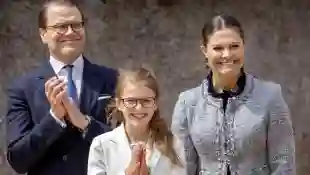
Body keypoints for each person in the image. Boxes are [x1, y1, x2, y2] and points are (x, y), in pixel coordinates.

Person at [171, 14, 296, 175]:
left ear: (244, 46)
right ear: (204, 51)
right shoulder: (187, 103)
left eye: (234, 46)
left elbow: (284, 164)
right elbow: (181, 168)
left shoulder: (270, 97)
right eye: (218, 48)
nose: (227, 54)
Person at [5, 1, 117, 175]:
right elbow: (18, 160)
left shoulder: (112, 79)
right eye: (61, 26)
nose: (71, 32)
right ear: (43, 34)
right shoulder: (23, 88)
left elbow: (127, 143)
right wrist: (54, 118)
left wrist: (85, 124)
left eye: (76, 25)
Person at [87, 66, 186, 175]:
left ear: (155, 104)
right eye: (131, 101)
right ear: (119, 104)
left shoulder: (173, 144)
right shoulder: (101, 145)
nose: (139, 108)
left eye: (146, 101)